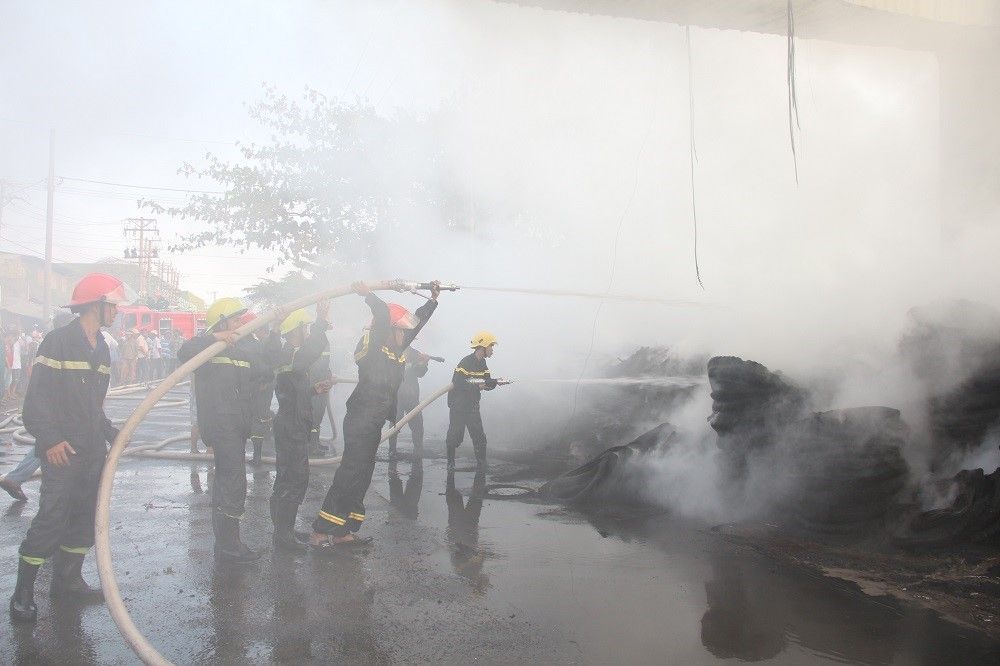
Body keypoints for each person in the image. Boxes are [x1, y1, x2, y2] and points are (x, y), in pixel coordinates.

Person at [9, 273, 130, 623]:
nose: (117, 311)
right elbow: (36, 401)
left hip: (92, 450)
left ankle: (67, 582)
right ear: (95, 305)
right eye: (113, 305)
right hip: (62, 451)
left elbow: (92, 405)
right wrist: (50, 440)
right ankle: (22, 593)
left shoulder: (102, 346)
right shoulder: (58, 341)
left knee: (83, 517)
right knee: (51, 518)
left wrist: (110, 431)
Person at [310, 281, 441, 551]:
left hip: (374, 420)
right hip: (361, 418)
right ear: (388, 330)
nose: (405, 336)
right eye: (400, 331)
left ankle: (344, 531)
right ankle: (321, 531)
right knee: (350, 473)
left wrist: (432, 300)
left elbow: (416, 325)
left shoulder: (395, 349)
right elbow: (382, 315)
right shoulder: (373, 349)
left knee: (363, 474)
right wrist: (369, 295)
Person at [178, 297, 279, 564]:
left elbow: (266, 366)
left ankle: (227, 543)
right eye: (235, 320)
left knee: (230, 481)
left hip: (237, 424)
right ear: (221, 323)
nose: (240, 325)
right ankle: (229, 545)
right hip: (221, 425)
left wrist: (275, 331)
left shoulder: (241, 349)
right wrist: (215, 338)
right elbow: (184, 353)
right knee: (232, 482)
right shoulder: (209, 349)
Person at [270, 302, 332, 551]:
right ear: (296, 329)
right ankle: (283, 536)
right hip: (292, 425)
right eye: (305, 327)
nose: (307, 331)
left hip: (290, 422)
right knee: (294, 479)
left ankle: (283, 531)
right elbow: (313, 349)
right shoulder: (292, 354)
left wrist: (313, 390)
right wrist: (320, 321)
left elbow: (292, 389)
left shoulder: (290, 355)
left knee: (286, 478)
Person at [446, 331, 500, 470]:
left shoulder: (483, 363)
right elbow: (458, 382)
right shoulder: (465, 362)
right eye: (491, 346)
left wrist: (493, 383)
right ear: (483, 347)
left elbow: (486, 383)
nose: (492, 350)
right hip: (459, 406)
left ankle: (482, 464)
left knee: (479, 437)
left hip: (472, 405)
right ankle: (450, 464)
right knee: (455, 437)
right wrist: (478, 385)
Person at [387, 348, 437, 461]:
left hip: (411, 396)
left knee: (418, 424)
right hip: (397, 396)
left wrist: (423, 363)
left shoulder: (415, 354)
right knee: (395, 424)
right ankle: (392, 450)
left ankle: (418, 451)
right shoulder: (391, 350)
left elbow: (420, 373)